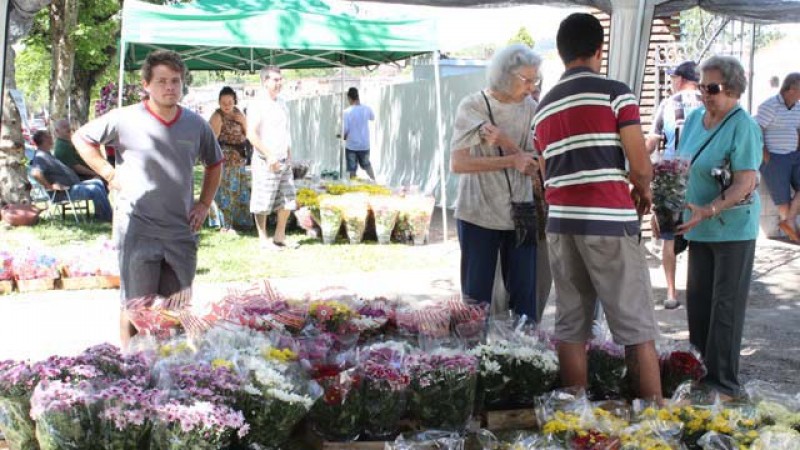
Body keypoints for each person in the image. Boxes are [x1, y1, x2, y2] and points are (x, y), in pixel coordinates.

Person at [532, 13, 662, 400]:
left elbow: (545, 177)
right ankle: (655, 419)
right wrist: (643, 192)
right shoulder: (615, 92)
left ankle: (574, 417)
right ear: (598, 50)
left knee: (571, 326)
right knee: (636, 327)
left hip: (561, 226)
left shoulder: (542, 109)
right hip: (608, 223)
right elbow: (640, 166)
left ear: (561, 53)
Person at [72, 50, 223, 347]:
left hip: (180, 229)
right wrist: (108, 173)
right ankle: (130, 364)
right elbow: (82, 138)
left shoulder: (196, 125)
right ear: (146, 84)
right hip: (136, 227)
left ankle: (171, 362)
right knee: (135, 303)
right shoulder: (124, 118)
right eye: (162, 81)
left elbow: (215, 163)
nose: (169, 87)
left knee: (176, 304)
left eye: (175, 81)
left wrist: (204, 203)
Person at [676, 56, 762, 400]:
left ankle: (724, 384)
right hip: (698, 226)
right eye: (701, 86)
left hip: (732, 228)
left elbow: (746, 181)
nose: (704, 94)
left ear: (734, 89)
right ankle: (699, 374)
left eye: (712, 88)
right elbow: (682, 164)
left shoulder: (744, 126)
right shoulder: (696, 118)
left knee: (725, 307)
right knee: (698, 304)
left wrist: (710, 209)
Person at [450, 44, 541, 320]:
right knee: (476, 304)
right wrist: (510, 161)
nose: (531, 87)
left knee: (525, 303)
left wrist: (506, 143)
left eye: (535, 80)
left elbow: (534, 165)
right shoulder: (473, 106)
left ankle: (524, 358)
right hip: (478, 214)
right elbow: (459, 164)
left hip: (520, 215)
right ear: (504, 75)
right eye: (527, 80)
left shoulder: (532, 109)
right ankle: (476, 359)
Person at [646, 61, 703, 309]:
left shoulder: (668, 105)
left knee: (669, 237)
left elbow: (652, 141)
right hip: (701, 178)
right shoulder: (709, 103)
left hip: (671, 177)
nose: (670, 82)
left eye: (673, 78)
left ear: (680, 80)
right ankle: (698, 291)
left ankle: (671, 294)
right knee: (699, 236)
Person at [247, 65, 296, 249]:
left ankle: (280, 236)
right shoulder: (258, 103)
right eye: (275, 80)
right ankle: (263, 239)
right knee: (263, 200)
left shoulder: (282, 102)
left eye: (280, 79)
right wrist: (268, 155)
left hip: (283, 158)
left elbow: (285, 130)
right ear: (265, 81)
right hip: (265, 160)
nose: (279, 83)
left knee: (288, 199)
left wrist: (289, 153)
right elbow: (251, 134)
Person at [30, 130, 113, 222]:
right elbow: (35, 173)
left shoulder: (47, 154)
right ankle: (107, 218)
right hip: (64, 193)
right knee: (94, 189)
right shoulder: (40, 156)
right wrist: (50, 186)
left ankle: (102, 214)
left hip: (73, 186)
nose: (51, 138)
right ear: (44, 139)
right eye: (48, 136)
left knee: (98, 182)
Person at [755, 73, 800, 242]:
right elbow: (757, 130)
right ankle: (789, 227)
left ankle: (788, 221)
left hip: (794, 155)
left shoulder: (797, 106)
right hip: (775, 156)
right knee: (782, 197)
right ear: (791, 90)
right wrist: (765, 154)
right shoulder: (769, 106)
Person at [208, 86, 252, 231]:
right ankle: (225, 225)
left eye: (229, 102)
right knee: (225, 191)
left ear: (235, 101)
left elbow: (248, 133)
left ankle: (241, 221)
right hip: (224, 159)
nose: (226, 105)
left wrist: (243, 121)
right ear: (219, 102)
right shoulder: (217, 116)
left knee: (240, 190)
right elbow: (211, 139)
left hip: (239, 158)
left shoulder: (239, 113)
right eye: (223, 102)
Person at [343, 87, 376, 180]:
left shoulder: (347, 112)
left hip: (351, 145)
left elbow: (345, 129)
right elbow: (372, 117)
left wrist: (343, 136)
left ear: (349, 98)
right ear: (358, 96)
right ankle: (374, 181)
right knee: (366, 165)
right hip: (364, 144)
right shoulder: (366, 108)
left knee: (352, 169)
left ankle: (353, 185)